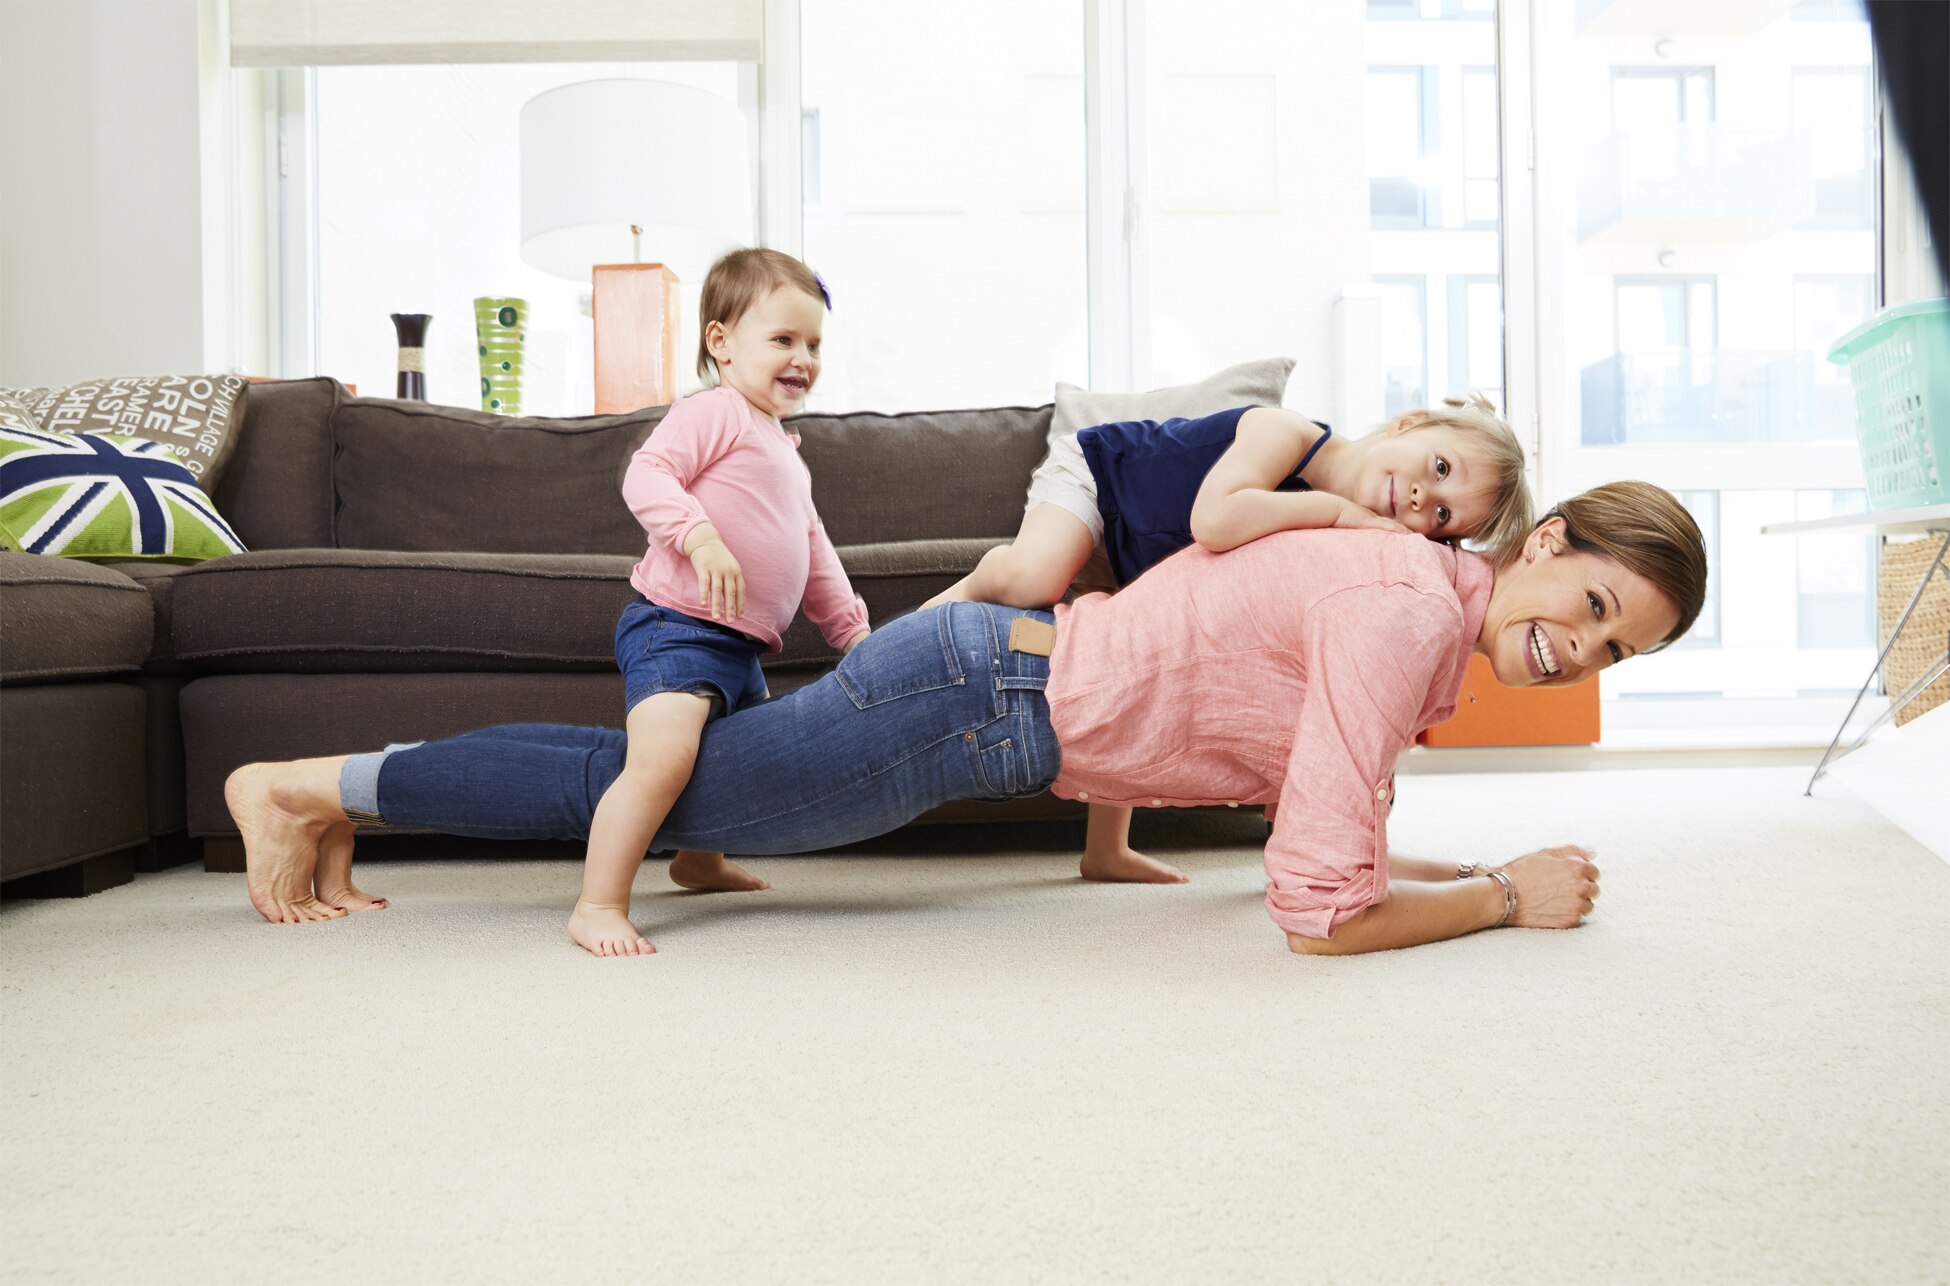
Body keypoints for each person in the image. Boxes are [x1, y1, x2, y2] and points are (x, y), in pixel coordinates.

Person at [228, 480, 1707, 957]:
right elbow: (1319, 910)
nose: (1578, 647)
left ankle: (328, 790)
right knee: (648, 789)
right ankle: (302, 786)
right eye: (1591, 602)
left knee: (664, 784)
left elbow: (1321, 810)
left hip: (984, 683)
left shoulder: (1419, 604)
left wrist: (1461, 868)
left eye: (1614, 651)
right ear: (1545, 539)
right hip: (972, 702)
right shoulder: (1403, 610)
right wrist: (1502, 899)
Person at [926, 393, 1535, 883]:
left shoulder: (1352, 542)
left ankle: (1105, 852)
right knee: (1033, 577)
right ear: (1412, 422)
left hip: (1156, 566)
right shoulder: (1287, 434)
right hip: (1106, 485)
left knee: (1137, 687)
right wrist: (1337, 513)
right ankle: (945, 606)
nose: (1424, 498)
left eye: (1443, 517)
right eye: (1440, 468)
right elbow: (1214, 521)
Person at [572, 247, 870, 956]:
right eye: (783, 339)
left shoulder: (785, 448)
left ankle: (698, 860)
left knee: (737, 767)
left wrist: (854, 635)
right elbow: (647, 473)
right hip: (677, 628)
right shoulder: (717, 411)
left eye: (814, 345)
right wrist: (698, 537)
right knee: (662, 761)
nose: (803, 358)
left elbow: (816, 552)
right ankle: (597, 904)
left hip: (741, 649)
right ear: (721, 342)